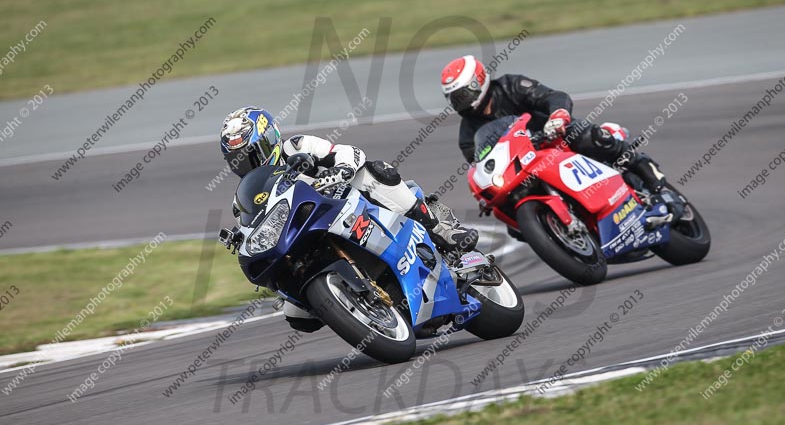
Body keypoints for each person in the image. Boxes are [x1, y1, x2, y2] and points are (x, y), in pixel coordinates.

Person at [220, 107, 479, 332]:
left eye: (252, 153)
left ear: (271, 139)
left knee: (375, 172)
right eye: (237, 160)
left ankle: (438, 228)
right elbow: (248, 226)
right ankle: (348, 305)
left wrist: (340, 169)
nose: (246, 164)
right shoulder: (243, 197)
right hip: (304, 236)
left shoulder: (296, 147)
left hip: (346, 203)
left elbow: (348, 152)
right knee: (295, 315)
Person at [440, 55, 666, 193]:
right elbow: (480, 166)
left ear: (478, 82)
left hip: (555, 138)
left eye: (461, 95)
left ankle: (644, 167)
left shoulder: (511, 86)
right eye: (453, 98)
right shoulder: (467, 135)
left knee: (588, 136)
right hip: (523, 167)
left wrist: (557, 116)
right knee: (511, 220)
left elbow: (553, 97)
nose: (459, 102)